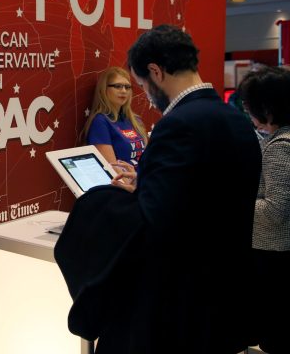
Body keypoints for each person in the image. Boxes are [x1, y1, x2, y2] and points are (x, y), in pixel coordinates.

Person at [55, 24, 262, 354]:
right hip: (222, 297)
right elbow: (206, 196)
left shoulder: (178, 124)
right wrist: (149, 185)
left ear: (155, 71)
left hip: (176, 309)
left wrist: (110, 200)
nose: (146, 97)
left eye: (141, 85)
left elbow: (156, 225)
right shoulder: (233, 118)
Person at [238, 66, 290, 354]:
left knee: (274, 333)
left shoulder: (280, 146)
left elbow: (274, 209)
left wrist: (234, 202)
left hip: (274, 252)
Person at [82, 66, 147, 164]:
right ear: (104, 89)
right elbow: (113, 169)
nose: (124, 91)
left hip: (144, 178)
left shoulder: (135, 120)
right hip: (125, 179)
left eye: (127, 87)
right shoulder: (100, 121)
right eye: (118, 86)